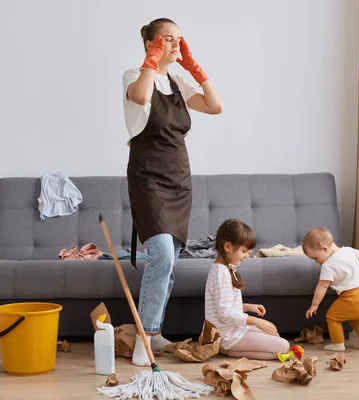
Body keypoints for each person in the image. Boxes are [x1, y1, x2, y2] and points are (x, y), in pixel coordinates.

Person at [122, 17, 223, 367]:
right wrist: (152, 59)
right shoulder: (135, 77)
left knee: (172, 260)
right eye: (169, 39)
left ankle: (155, 332)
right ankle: (144, 338)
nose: (178, 44)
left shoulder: (177, 81)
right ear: (152, 44)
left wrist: (195, 67)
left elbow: (215, 105)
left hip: (179, 180)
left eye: (181, 39)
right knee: (162, 254)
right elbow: (140, 96)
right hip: (148, 178)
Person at [204, 219, 290, 360]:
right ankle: (227, 349)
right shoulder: (221, 273)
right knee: (283, 346)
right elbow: (224, 313)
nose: (247, 256)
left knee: (274, 335)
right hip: (228, 335)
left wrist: (249, 307)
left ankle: (227, 348)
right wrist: (256, 321)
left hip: (233, 330)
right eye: (244, 251)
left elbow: (224, 306)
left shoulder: (225, 269)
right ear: (228, 246)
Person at [303, 227, 359, 351]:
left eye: (315, 258)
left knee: (332, 317)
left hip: (353, 297)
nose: (316, 262)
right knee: (357, 319)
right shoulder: (348, 251)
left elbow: (323, 286)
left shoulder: (328, 265)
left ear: (324, 248)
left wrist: (314, 305)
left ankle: (338, 344)